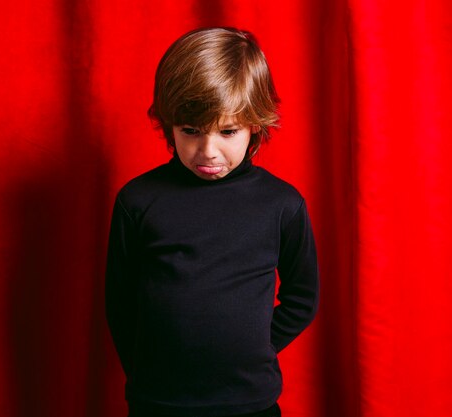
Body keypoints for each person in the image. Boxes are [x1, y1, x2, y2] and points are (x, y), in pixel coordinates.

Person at [105, 27, 319, 417]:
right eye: (191, 131)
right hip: (159, 401)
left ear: (255, 124)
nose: (208, 151)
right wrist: (147, 372)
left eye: (227, 131)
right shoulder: (137, 201)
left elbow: (303, 298)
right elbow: (120, 303)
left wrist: (254, 345)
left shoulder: (282, 204)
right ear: (168, 125)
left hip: (249, 402)